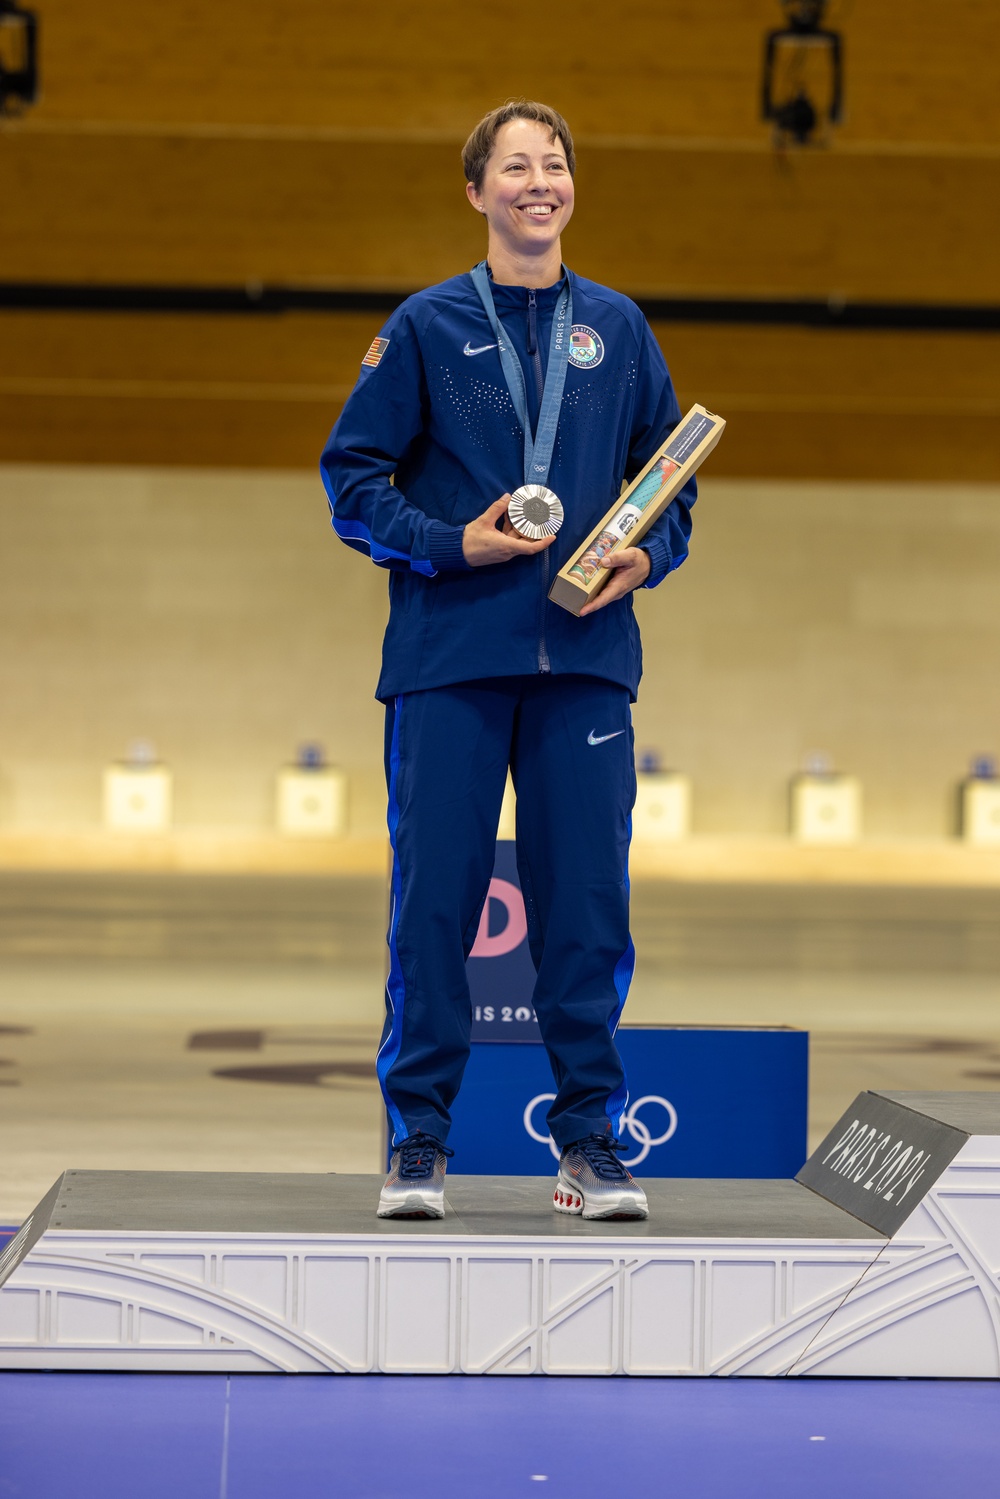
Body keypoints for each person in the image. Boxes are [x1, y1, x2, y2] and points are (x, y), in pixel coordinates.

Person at [320, 100, 696, 1221]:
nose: (541, 181)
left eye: (557, 163)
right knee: (434, 901)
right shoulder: (428, 326)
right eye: (517, 165)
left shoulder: (619, 331)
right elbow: (353, 483)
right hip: (450, 658)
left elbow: (670, 486)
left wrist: (650, 557)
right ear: (478, 191)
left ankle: (587, 1143)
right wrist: (455, 544)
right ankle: (418, 1143)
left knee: (584, 904)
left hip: (585, 658)